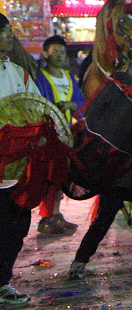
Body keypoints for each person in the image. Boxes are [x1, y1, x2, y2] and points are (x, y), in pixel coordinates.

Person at [0, 14, 41, 309]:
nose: (11, 37)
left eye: (11, 31)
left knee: (18, 223)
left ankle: (3, 281)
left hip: (16, 166)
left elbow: (38, 109)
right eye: (5, 32)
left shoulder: (19, 72)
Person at [34, 34, 86, 234]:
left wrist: (72, 105)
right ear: (45, 54)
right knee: (49, 175)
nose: (59, 55)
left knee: (60, 175)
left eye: (62, 52)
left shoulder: (69, 77)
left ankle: (55, 214)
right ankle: (47, 217)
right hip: (48, 135)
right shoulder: (40, 78)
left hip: (66, 134)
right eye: (54, 52)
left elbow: (80, 102)